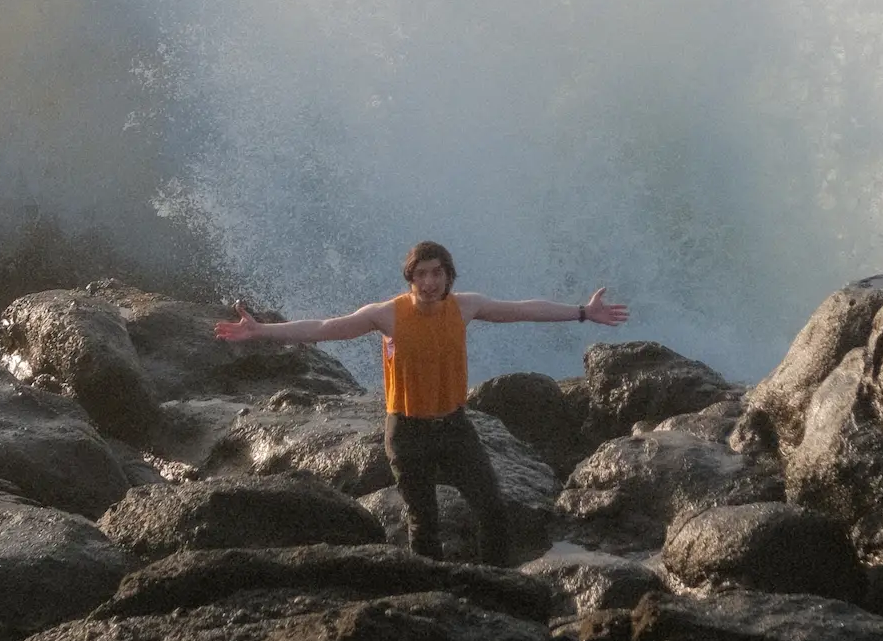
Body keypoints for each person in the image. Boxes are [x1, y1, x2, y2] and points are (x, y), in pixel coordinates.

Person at [214, 242, 629, 569]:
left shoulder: (465, 306)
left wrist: (582, 312)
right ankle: (433, 592)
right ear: (410, 279)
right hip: (407, 431)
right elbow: (324, 328)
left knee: (492, 507)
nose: (430, 282)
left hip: (454, 427)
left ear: (448, 276)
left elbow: (522, 310)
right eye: (421, 274)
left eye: (437, 273)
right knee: (423, 522)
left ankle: (499, 581)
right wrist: (260, 331)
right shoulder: (388, 316)